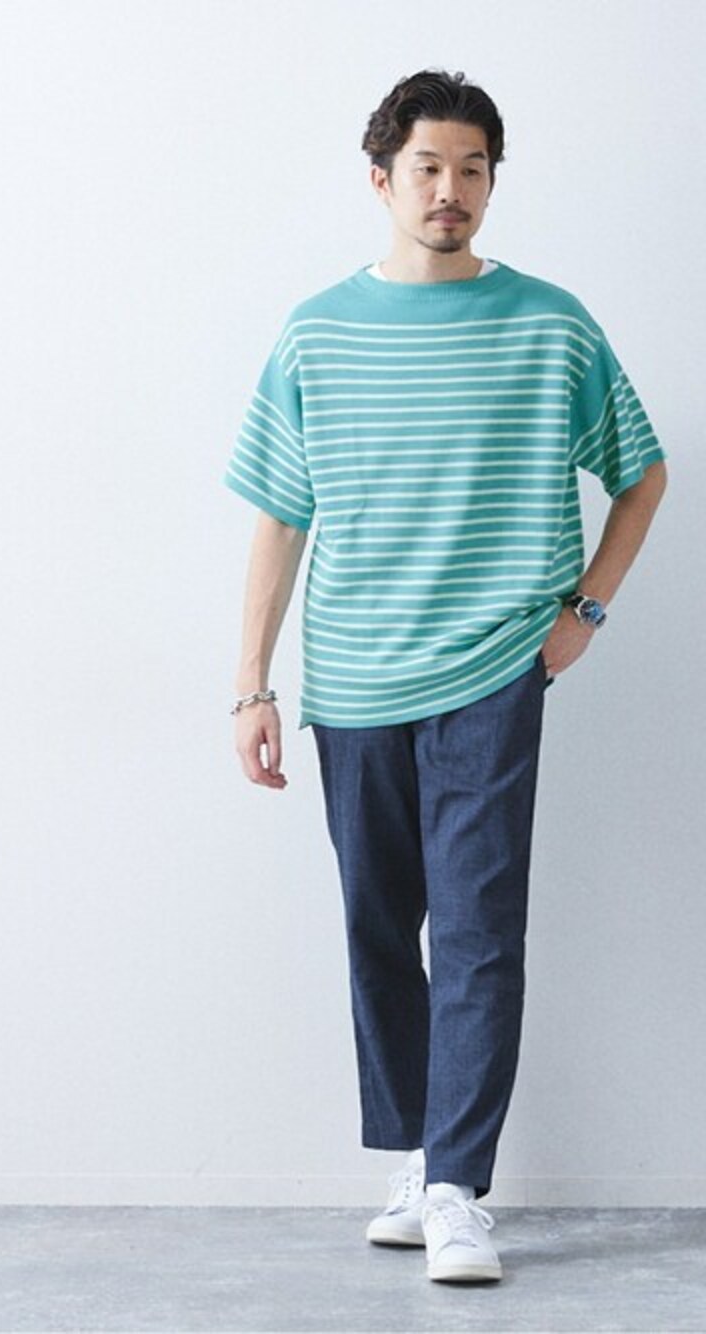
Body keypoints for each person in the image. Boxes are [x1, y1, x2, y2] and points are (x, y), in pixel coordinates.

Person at [224, 68, 668, 1284]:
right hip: (354, 673)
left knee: (476, 925)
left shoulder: (550, 325)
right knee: (378, 923)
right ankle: (418, 1156)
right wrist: (251, 684)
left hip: (494, 665)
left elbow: (641, 471)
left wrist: (584, 609)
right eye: (428, 166)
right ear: (381, 178)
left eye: (473, 168)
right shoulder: (316, 331)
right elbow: (279, 513)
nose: (451, 189)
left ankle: (460, 1187)